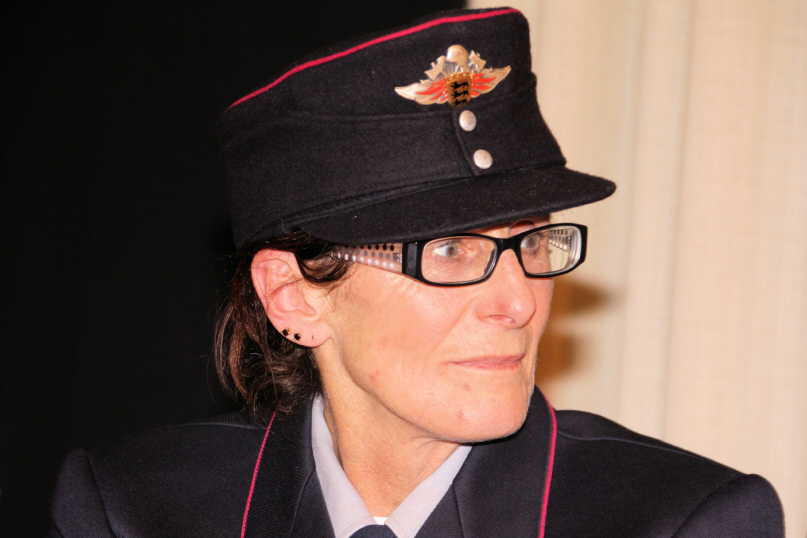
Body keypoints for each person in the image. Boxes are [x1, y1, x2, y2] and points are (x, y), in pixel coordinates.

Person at [49, 7, 785, 537]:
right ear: (293, 296)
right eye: (449, 251)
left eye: (531, 243)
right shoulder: (135, 509)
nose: (517, 301)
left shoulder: (680, 521)